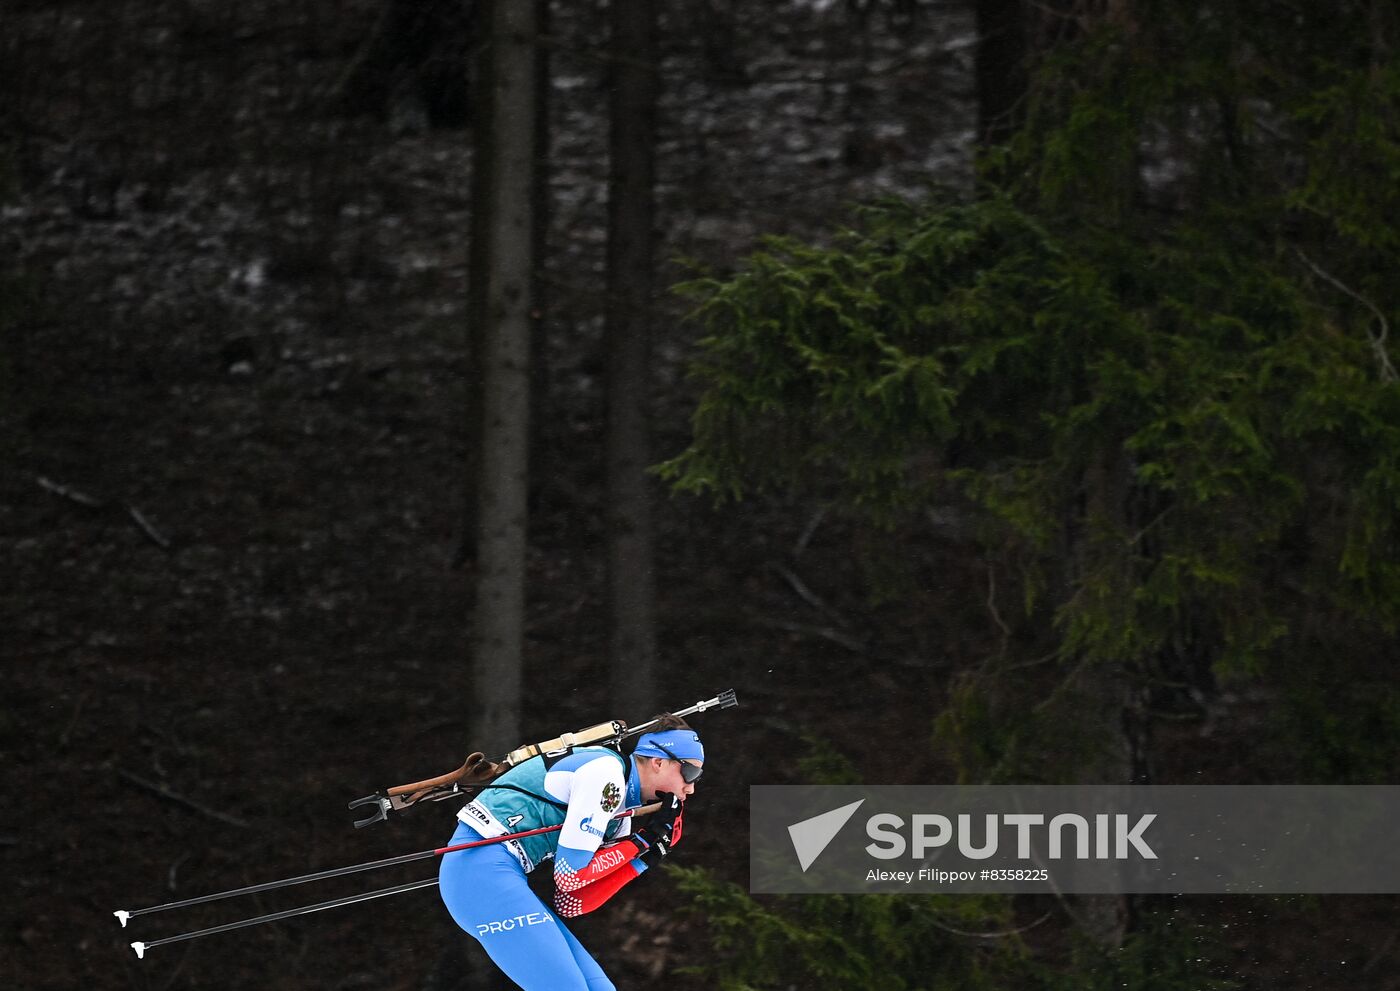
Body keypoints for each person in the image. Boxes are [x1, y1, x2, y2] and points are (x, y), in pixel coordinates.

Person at [438, 714, 704, 991]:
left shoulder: (619, 812)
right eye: (690, 773)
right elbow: (570, 876)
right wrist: (642, 841)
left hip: (492, 875)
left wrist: (646, 857)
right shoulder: (606, 775)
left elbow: (573, 902)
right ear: (659, 762)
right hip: (479, 873)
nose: (691, 787)